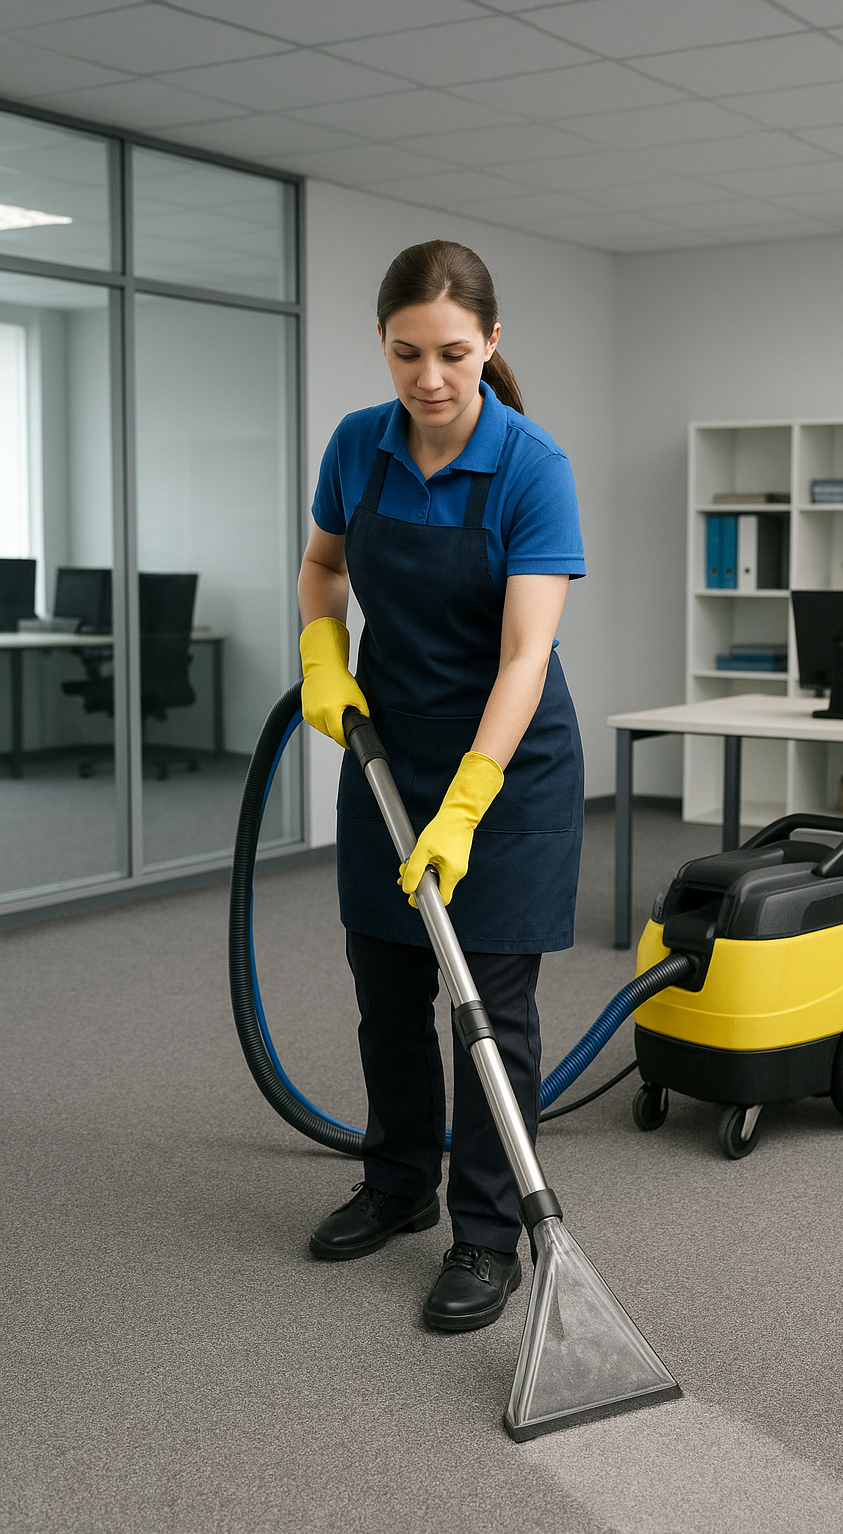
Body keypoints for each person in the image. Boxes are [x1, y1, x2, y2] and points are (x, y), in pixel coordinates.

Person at [297, 239, 585, 1333]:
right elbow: (324, 568)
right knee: (388, 995)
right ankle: (398, 1183)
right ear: (382, 344)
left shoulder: (530, 467)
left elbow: (524, 658)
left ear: (491, 344)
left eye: (453, 354)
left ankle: (485, 1233)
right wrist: (323, 652)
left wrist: (466, 805)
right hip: (385, 755)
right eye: (406, 353)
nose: (428, 379)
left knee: (488, 1012)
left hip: (504, 772)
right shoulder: (358, 446)